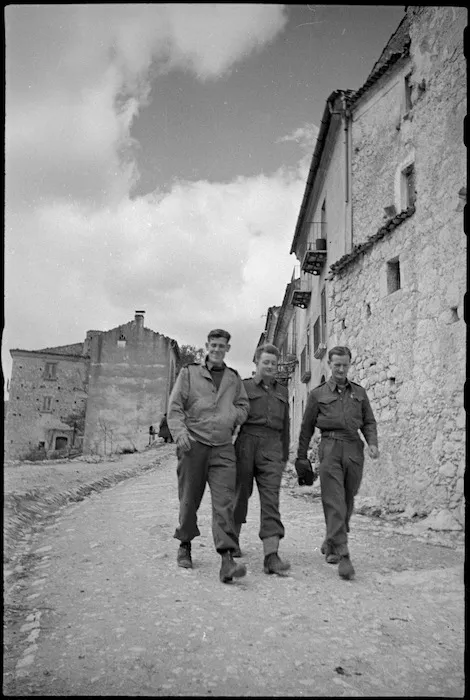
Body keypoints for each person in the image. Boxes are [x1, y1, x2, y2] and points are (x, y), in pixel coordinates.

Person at [167, 329, 249, 584]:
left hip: (223, 447)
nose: (216, 349)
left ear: (227, 349)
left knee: (224, 502)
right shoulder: (189, 373)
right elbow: (175, 406)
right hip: (194, 445)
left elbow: (244, 405)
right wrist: (179, 433)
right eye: (213, 345)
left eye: (221, 346)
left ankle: (226, 559)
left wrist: (232, 417)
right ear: (207, 346)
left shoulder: (234, 379)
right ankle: (185, 543)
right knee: (190, 498)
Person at [295, 346, 379, 580]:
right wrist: (302, 457)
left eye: (345, 365)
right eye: (336, 365)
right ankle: (343, 553)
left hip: (354, 449)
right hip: (330, 448)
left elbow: (369, 422)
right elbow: (306, 427)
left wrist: (372, 443)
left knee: (348, 498)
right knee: (334, 501)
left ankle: (331, 541)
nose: (341, 369)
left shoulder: (360, 394)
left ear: (349, 365)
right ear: (329, 365)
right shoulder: (318, 394)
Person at [233, 344, 290, 575]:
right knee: (239, 496)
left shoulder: (283, 391)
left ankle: (271, 555)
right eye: (265, 362)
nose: (269, 366)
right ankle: (232, 540)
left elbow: (285, 425)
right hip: (246, 444)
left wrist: (284, 455)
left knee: (271, 500)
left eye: (273, 363)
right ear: (256, 363)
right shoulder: (243, 387)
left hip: (272, 447)